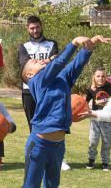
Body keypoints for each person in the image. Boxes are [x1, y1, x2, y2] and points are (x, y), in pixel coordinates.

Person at [14, 34, 109, 188]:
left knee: (52, 185)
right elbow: (59, 62)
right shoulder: (38, 81)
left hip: (57, 145)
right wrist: (73, 43)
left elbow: (74, 66)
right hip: (38, 144)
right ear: (29, 74)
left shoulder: (59, 79)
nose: (41, 60)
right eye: (36, 61)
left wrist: (88, 48)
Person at [17, 15, 71, 172]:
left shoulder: (51, 43)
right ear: (28, 29)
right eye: (32, 28)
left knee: (54, 123)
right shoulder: (24, 46)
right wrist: (48, 61)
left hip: (49, 90)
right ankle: (35, 156)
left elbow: (59, 59)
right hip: (29, 90)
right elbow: (24, 64)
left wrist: (46, 61)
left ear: (41, 26)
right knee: (33, 124)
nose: (35, 30)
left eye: (37, 27)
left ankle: (59, 158)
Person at [85, 68, 111, 170]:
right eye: (98, 76)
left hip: (107, 118)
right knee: (93, 140)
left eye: (103, 76)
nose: (100, 78)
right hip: (95, 117)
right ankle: (91, 160)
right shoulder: (91, 89)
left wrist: (107, 102)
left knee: (106, 141)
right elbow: (85, 102)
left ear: (105, 77)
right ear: (94, 77)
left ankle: (105, 162)